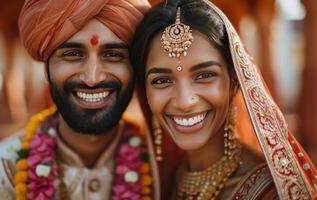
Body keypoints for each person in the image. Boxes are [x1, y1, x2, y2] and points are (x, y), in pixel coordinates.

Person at [0, 0, 161, 199]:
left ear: (136, 69)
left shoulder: (165, 171)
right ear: (46, 68)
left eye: (113, 55)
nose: (92, 78)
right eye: (73, 54)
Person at [130, 0, 317, 199]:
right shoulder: (157, 178)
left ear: (235, 80)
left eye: (204, 76)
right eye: (162, 80)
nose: (184, 101)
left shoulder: (272, 192)